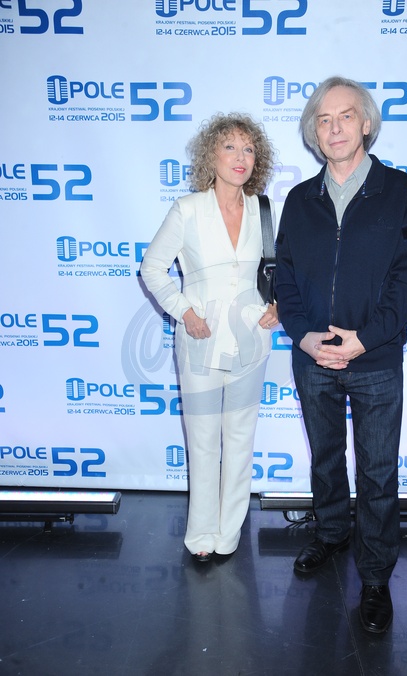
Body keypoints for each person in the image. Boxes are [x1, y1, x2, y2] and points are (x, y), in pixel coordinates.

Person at [275, 76, 407, 633]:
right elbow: (284, 280)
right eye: (323, 119)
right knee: (324, 458)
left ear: (366, 124)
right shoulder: (299, 200)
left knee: (379, 471)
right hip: (312, 357)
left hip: (376, 359)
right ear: (313, 132)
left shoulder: (400, 190)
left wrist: (365, 339)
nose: (334, 127)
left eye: (345, 116)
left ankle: (376, 578)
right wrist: (304, 337)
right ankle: (332, 533)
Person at [141, 113, 277, 563]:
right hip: (200, 340)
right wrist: (183, 310)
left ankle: (229, 530)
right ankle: (201, 532)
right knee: (202, 440)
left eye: (248, 149)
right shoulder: (187, 209)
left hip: (251, 340)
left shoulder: (263, 210)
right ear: (211, 155)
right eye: (229, 147)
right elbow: (152, 268)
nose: (240, 157)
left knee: (240, 438)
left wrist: (278, 305)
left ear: (257, 160)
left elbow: (279, 270)